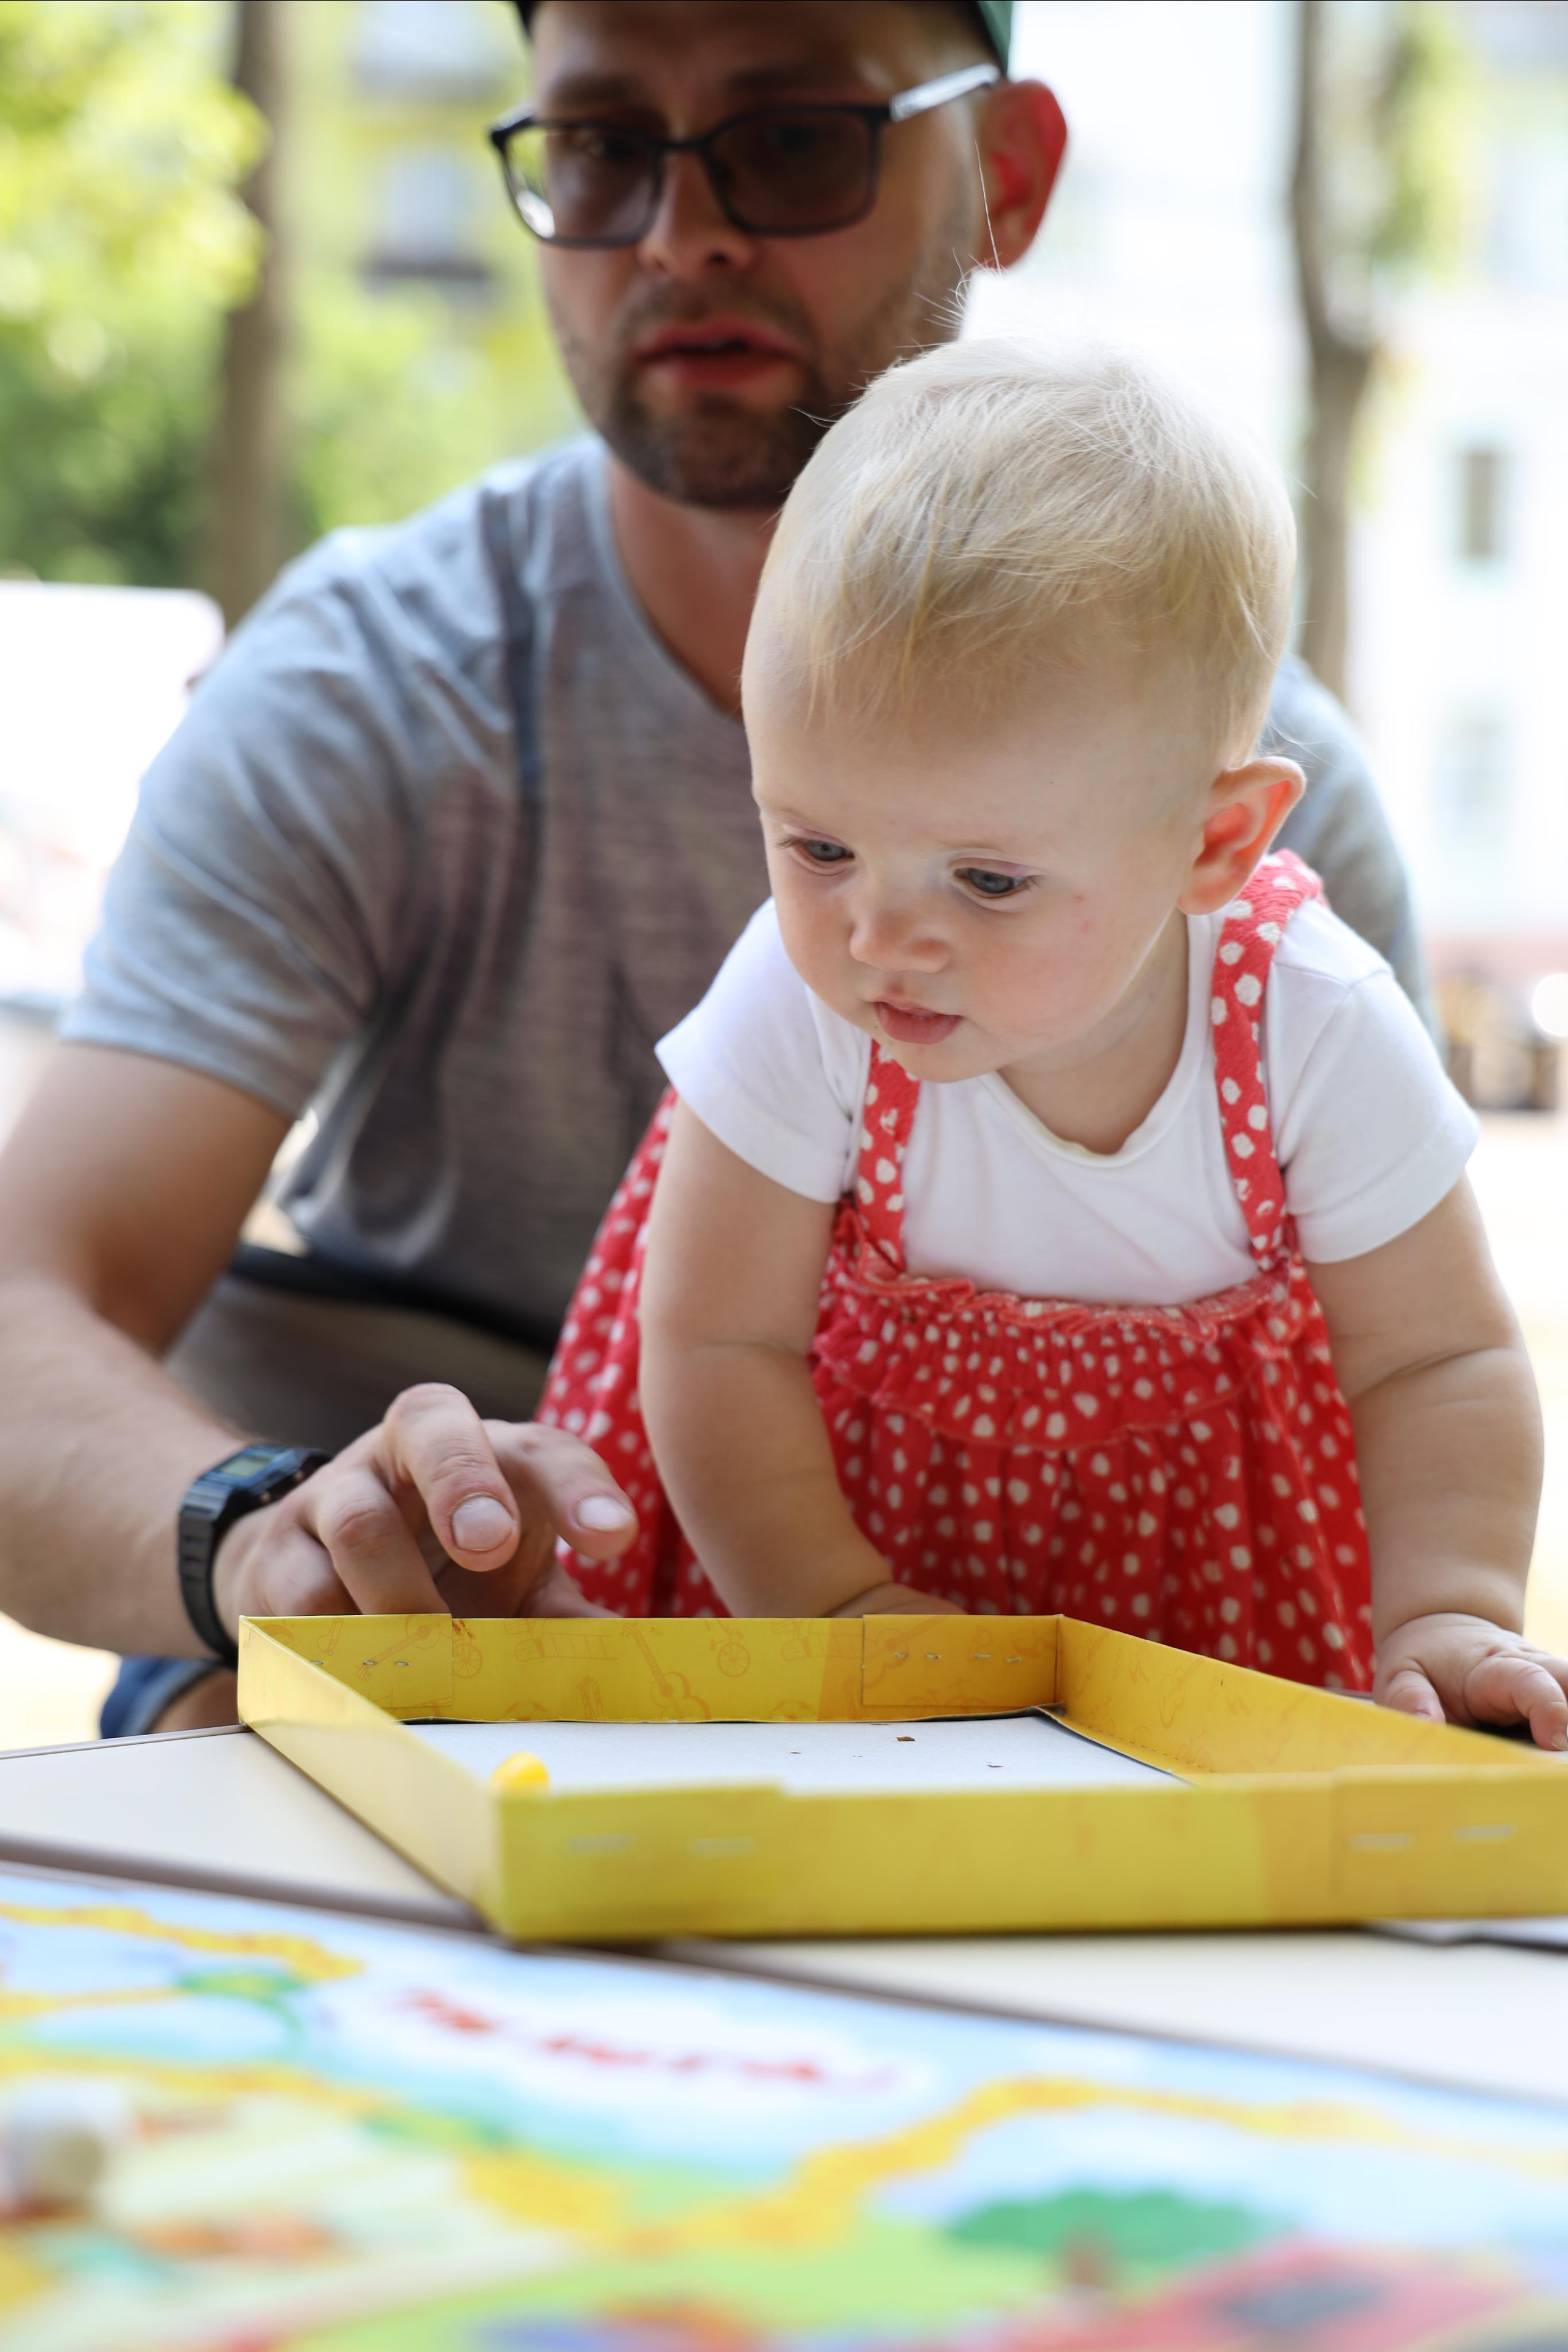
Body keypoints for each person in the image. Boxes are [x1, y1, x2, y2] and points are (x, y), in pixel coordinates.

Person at [0, 0, 1429, 1735]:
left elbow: (1404, 1370)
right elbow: (27, 1310)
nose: (682, 233)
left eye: (795, 137)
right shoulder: (371, 685)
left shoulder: (1259, 814)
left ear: (1008, 171)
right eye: (601, 148)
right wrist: (270, 1537)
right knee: (258, 1737)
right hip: (398, 1608)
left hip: (1038, 1643)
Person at [541, 341, 1567, 1747]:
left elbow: (1434, 1362)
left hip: (1202, 1627)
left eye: (986, 879)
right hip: (826, 1574)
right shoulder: (800, 1000)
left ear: (1212, 842)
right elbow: (716, 1341)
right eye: (819, 845)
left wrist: (1447, 1610)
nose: (878, 936)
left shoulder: (1308, 1023)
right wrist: (833, 1605)